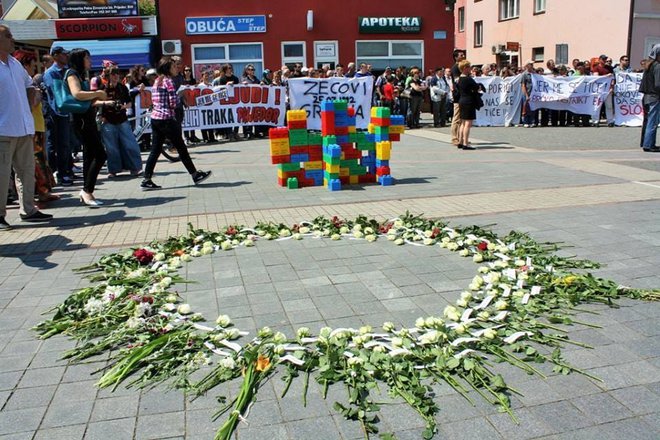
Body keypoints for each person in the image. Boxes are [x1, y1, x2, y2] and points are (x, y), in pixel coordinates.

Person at [0, 25, 53, 229]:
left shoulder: (14, 63)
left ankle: (28, 209)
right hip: (3, 129)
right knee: (3, 176)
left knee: (26, 172)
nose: (13, 40)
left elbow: (29, 85)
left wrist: (33, 92)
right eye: (8, 36)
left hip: (23, 127)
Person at [141, 57, 211, 190]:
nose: (176, 68)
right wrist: (180, 94)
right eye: (173, 67)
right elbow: (173, 103)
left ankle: (146, 179)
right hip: (167, 118)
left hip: (156, 118)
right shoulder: (169, 81)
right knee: (181, 147)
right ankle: (195, 174)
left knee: (155, 150)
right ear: (168, 68)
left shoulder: (157, 80)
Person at [66, 48, 113, 207]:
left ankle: (88, 193)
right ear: (79, 59)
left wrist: (103, 100)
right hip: (81, 120)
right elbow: (77, 94)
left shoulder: (80, 74)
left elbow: (87, 100)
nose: (90, 61)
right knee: (100, 155)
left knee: (89, 156)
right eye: (87, 58)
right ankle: (86, 190)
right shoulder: (72, 74)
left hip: (87, 118)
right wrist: (97, 93)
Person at [13, 50, 59, 205]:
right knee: (34, 162)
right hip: (28, 128)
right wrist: (36, 95)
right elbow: (30, 105)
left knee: (40, 160)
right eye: (32, 66)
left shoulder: (29, 82)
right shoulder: (23, 84)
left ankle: (43, 192)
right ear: (24, 66)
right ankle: (38, 193)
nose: (34, 69)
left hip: (37, 126)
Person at [98, 66, 143, 177]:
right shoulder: (103, 88)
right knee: (111, 147)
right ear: (108, 76)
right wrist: (106, 105)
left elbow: (129, 103)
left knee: (130, 144)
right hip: (108, 120)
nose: (116, 76)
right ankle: (113, 170)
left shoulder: (123, 88)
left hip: (122, 119)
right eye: (113, 74)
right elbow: (96, 102)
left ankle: (135, 168)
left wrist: (124, 106)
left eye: (117, 74)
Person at [43, 45, 75, 187]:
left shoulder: (67, 71)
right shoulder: (51, 73)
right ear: (55, 55)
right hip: (55, 112)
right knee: (57, 144)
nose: (65, 56)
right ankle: (60, 173)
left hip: (66, 111)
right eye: (62, 54)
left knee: (66, 144)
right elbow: (57, 92)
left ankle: (67, 170)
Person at [639, 44, 660, 152]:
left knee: (648, 121)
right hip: (655, 97)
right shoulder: (657, 66)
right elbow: (658, 84)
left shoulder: (648, 65)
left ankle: (647, 143)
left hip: (647, 96)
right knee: (653, 122)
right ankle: (648, 145)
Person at [457, 59, 480, 150]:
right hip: (468, 101)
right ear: (465, 68)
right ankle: (466, 143)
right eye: (469, 67)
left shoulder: (460, 79)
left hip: (462, 100)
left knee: (462, 122)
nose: (470, 68)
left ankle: (460, 141)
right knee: (468, 123)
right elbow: (477, 87)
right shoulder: (467, 79)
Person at [218, 63, 240, 141]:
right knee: (228, 117)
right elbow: (220, 90)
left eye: (231, 68)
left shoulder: (235, 78)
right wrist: (227, 85)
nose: (230, 69)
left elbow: (239, 88)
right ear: (225, 70)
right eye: (229, 68)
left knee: (237, 116)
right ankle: (229, 133)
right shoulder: (222, 79)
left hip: (235, 100)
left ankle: (235, 132)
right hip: (226, 101)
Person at [450, 49, 466, 146]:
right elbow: (457, 80)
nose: (463, 56)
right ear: (456, 57)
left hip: (463, 94)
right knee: (456, 118)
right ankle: (454, 138)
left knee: (462, 118)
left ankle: (461, 137)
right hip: (457, 95)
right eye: (461, 55)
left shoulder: (462, 67)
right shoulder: (455, 68)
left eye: (463, 54)